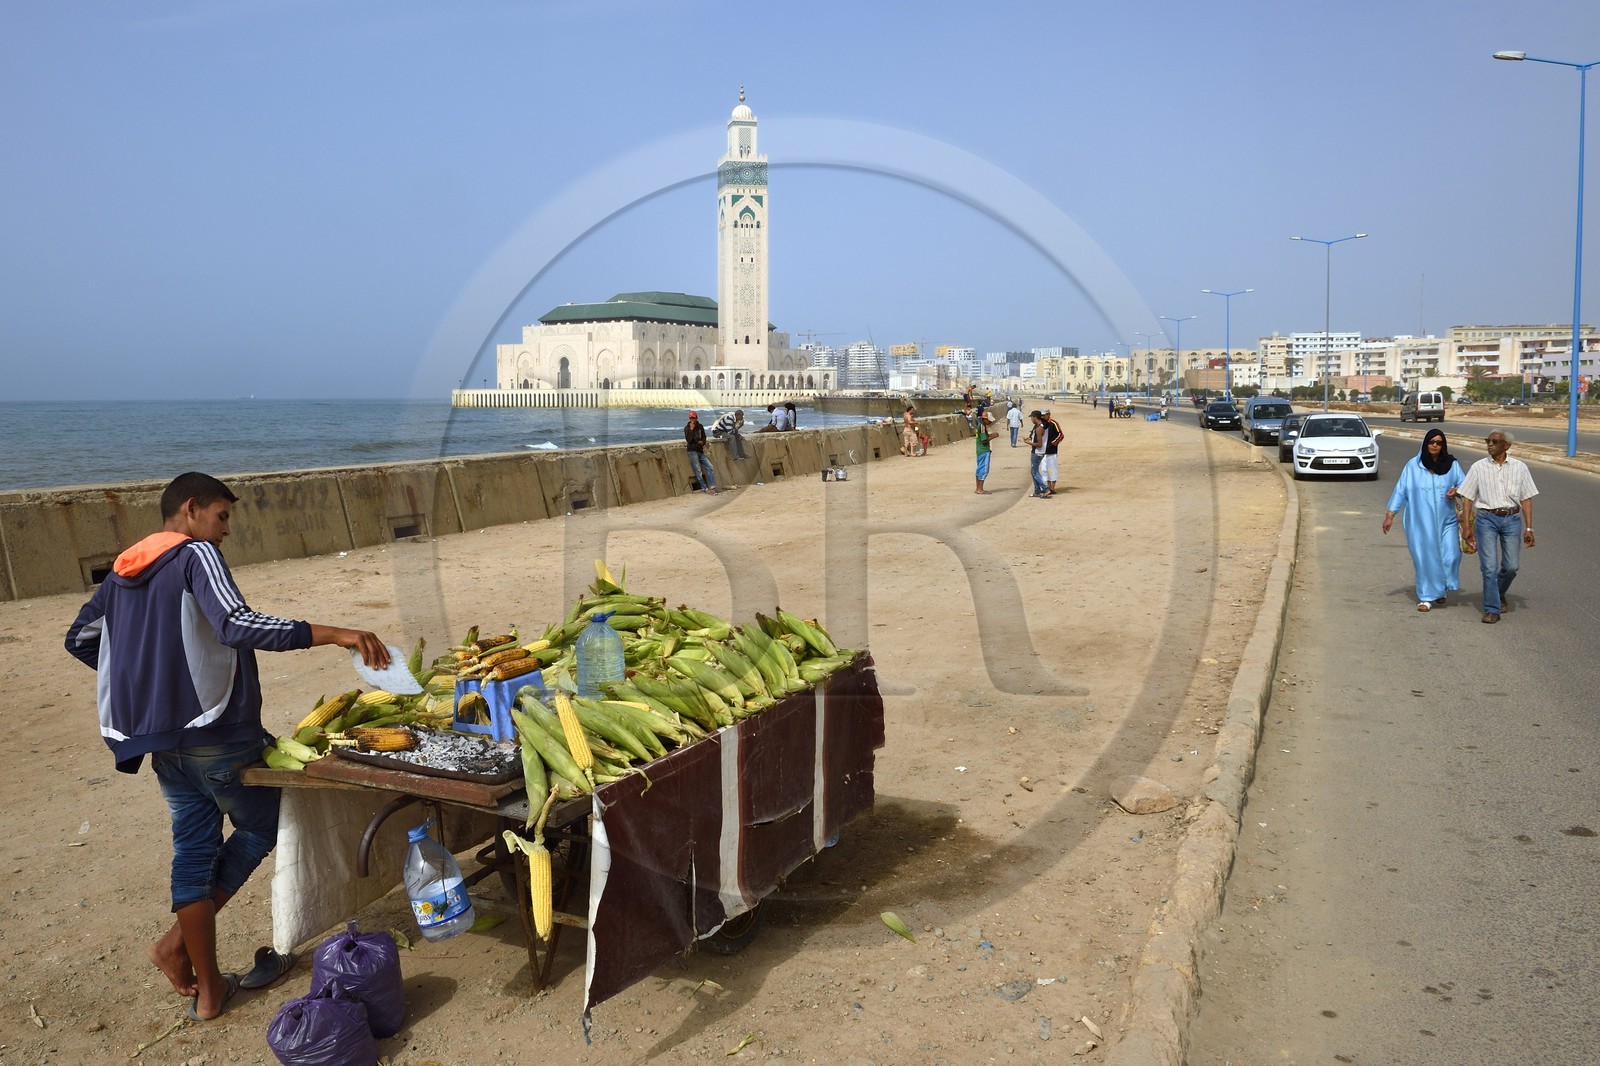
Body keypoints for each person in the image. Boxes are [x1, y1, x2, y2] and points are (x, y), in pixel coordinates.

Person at [63, 472, 389, 1021]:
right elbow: (237, 624)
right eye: (221, 517)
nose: (225, 531)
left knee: (192, 849)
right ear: (190, 510)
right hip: (218, 734)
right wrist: (336, 633)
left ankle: (207, 986)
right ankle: (176, 948)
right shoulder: (195, 555)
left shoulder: (124, 569)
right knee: (262, 825)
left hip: (161, 743)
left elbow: (81, 638)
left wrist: (149, 685)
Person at [1456, 429, 1537, 623]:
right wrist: (1467, 526)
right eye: (1488, 440)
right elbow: (1467, 497)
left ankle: (1498, 592)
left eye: (1495, 441)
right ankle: (1492, 608)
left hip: (1511, 520)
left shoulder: (1520, 467)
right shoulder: (1478, 467)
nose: (1490, 444)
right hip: (1486, 519)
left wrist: (1529, 528)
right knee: (1489, 567)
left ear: (1506, 446)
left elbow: (1526, 498)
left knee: (1511, 567)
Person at [1381, 428, 1466, 611]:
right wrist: (1390, 515)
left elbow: (1465, 484)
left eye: (1439, 442)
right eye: (1431, 442)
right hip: (1420, 523)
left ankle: (1441, 588)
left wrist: (1457, 490)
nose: (1435, 445)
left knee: (1451, 556)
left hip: (1448, 521)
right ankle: (1427, 597)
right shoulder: (1413, 466)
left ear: (1443, 445)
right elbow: (1401, 491)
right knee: (1425, 559)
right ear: (1425, 443)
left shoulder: (1452, 464)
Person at [684, 411, 717, 493]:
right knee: (698, 471)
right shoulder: (687, 428)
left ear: (696, 418)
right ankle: (704, 488)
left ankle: (713, 486)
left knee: (710, 467)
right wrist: (691, 430)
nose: (692, 419)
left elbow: (704, 437)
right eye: (691, 418)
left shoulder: (700, 426)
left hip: (700, 450)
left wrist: (703, 442)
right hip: (692, 451)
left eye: (694, 418)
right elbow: (688, 440)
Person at [1028, 410, 1051, 497]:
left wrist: (1027, 442)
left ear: (1035, 418)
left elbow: (1039, 444)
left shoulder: (1039, 428)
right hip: (1040, 451)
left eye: (1031, 417)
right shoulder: (1043, 426)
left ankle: (1045, 489)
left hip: (1038, 452)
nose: (1031, 419)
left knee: (1035, 472)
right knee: (1033, 471)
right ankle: (1036, 491)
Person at [1041, 408, 1063, 495]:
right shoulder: (1041, 424)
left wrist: (1053, 443)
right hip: (1042, 451)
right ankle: (1048, 487)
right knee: (1044, 470)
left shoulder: (1054, 423)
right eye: (1042, 415)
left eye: (1044, 415)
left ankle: (1052, 488)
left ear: (1048, 414)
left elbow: (1061, 435)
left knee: (1052, 469)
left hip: (1052, 451)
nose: (1043, 416)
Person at [974, 408, 994, 493]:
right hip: (984, 450)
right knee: (984, 470)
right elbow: (984, 440)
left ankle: (978, 488)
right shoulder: (982, 427)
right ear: (985, 419)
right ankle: (980, 489)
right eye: (989, 421)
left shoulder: (981, 425)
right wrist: (993, 436)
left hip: (979, 450)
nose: (990, 422)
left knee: (979, 469)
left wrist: (989, 435)